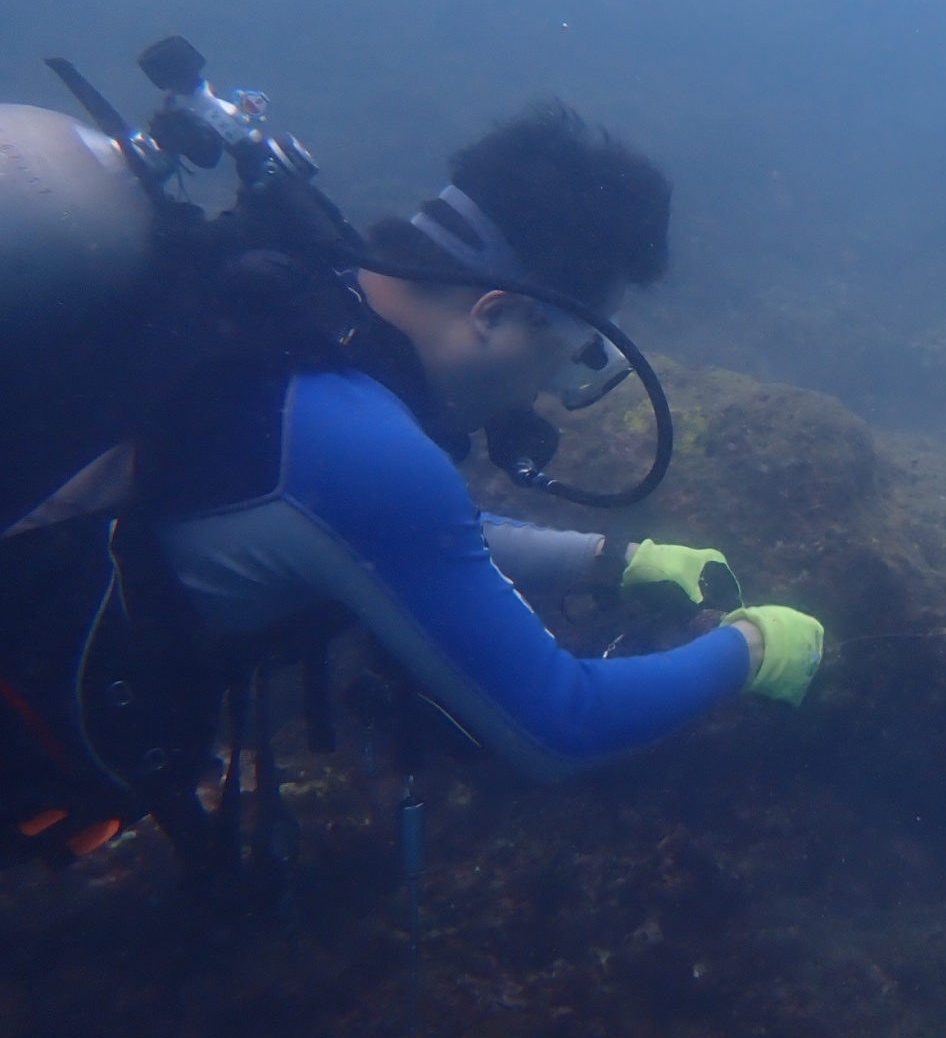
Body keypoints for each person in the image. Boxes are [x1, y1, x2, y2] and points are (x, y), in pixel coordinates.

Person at [0, 102, 824, 873]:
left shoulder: (295, 308)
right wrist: (749, 650)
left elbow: (390, 529)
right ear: (496, 313)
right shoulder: (363, 444)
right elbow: (561, 723)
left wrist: (613, 560)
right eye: (564, 359)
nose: (541, 396)